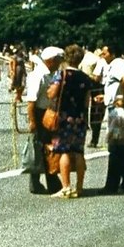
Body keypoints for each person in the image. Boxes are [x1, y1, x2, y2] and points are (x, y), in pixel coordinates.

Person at [48, 44, 100, 198]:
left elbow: (53, 93)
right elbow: (86, 101)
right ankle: (79, 187)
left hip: (64, 117)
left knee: (63, 150)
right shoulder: (85, 77)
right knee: (78, 151)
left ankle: (66, 187)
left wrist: (50, 91)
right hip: (80, 117)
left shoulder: (62, 74)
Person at [22, 46, 65, 194]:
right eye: (58, 60)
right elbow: (31, 101)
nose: (60, 63)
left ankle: (40, 182)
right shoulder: (38, 75)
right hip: (40, 113)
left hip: (49, 112)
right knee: (42, 148)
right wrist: (32, 121)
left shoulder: (52, 73)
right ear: (51, 60)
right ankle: (48, 181)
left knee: (44, 147)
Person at [103, 95, 124, 193]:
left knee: (115, 159)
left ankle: (112, 186)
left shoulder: (116, 113)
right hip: (123, 139)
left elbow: (114, 128)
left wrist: (109, 137)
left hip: (117, 138)